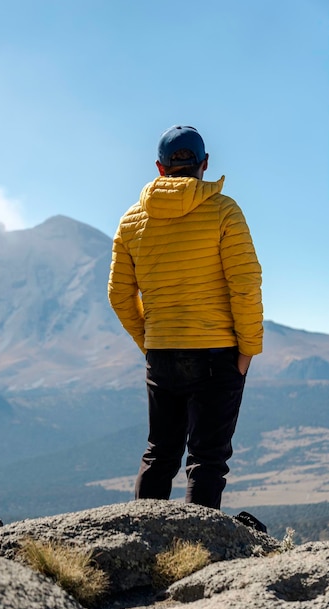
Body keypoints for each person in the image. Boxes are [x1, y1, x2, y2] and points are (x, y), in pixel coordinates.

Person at [108, 125, 263, 510]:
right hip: (217, 355)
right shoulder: (224, 211)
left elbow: (118, 295)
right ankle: (198, 557)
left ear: (160, 169)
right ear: (204, 164)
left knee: (159, 453)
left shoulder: (131, 221)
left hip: (161, 353)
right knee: (207, 461)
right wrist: (247, 351)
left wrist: (149, 341)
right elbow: (245, 285)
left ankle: (140, 541)